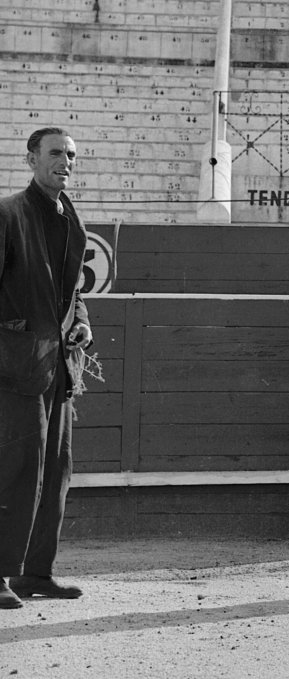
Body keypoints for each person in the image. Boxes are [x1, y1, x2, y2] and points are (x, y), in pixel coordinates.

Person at [0, 127, 92, 609]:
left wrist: (81, 323)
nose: (66, 161)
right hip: (12, 368)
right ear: (31, 158)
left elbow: (72, 292)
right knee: (14, 469)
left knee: (55, 470)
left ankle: (35, 574)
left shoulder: (69, 218)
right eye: (56, 153)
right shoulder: (7, 214)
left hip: (57, 366)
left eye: (72, 155)